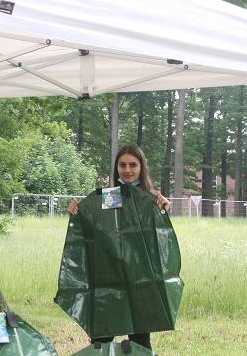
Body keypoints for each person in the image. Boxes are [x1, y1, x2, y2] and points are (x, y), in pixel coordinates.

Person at [67, 144, 171, 350]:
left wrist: (164, 211)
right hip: (110, 273)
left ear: (142, 167)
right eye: (122, 165)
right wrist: (79, 214)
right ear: (116, 168)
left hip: (140, 275)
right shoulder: (112, 196)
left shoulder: (150, 199)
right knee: (102, 336)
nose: (127, 170)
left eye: (133, 165)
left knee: (140, 339)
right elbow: (97, 227)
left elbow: (159, 239)